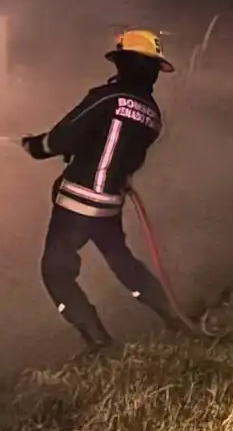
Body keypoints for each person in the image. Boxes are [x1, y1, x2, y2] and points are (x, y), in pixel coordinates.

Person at [21, 28, 193, 352]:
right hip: (110, 204)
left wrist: (36, 145)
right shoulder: (152, 115)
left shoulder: (107, 97)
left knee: (56, 271)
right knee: (123, 263)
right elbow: (119, 150)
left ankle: (99, 342)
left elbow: (62, 138)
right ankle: (174, 317)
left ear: (123, 63)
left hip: (78, 201)